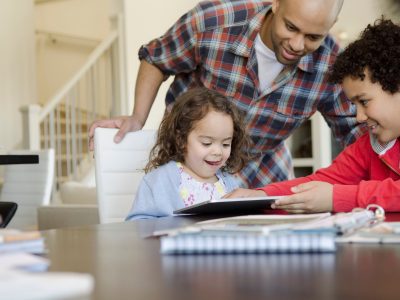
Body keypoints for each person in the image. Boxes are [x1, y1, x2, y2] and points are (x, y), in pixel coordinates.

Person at [89, 0, 367, 189]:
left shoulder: (331, 63)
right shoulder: (213, 22)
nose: (296, 44)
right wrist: (138, 116)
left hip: (263, 168)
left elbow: (354, 130)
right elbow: (156, 59)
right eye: (291, 27)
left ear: (332, 25)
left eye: (313, 37)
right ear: (277, 3)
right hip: (190, 165)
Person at [223, 18, 400, 213]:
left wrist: (337, 197)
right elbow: (323, 181)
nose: (358, 117)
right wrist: (263, 195)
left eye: (364, 102)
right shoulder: (367, 147)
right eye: (354, 105)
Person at [125, 87, 252, 220]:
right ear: (181, 140)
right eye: (207, 143)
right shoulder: (159, 181)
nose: (218, 152)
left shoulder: (230, 184)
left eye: (226, 144)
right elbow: (136, 225)